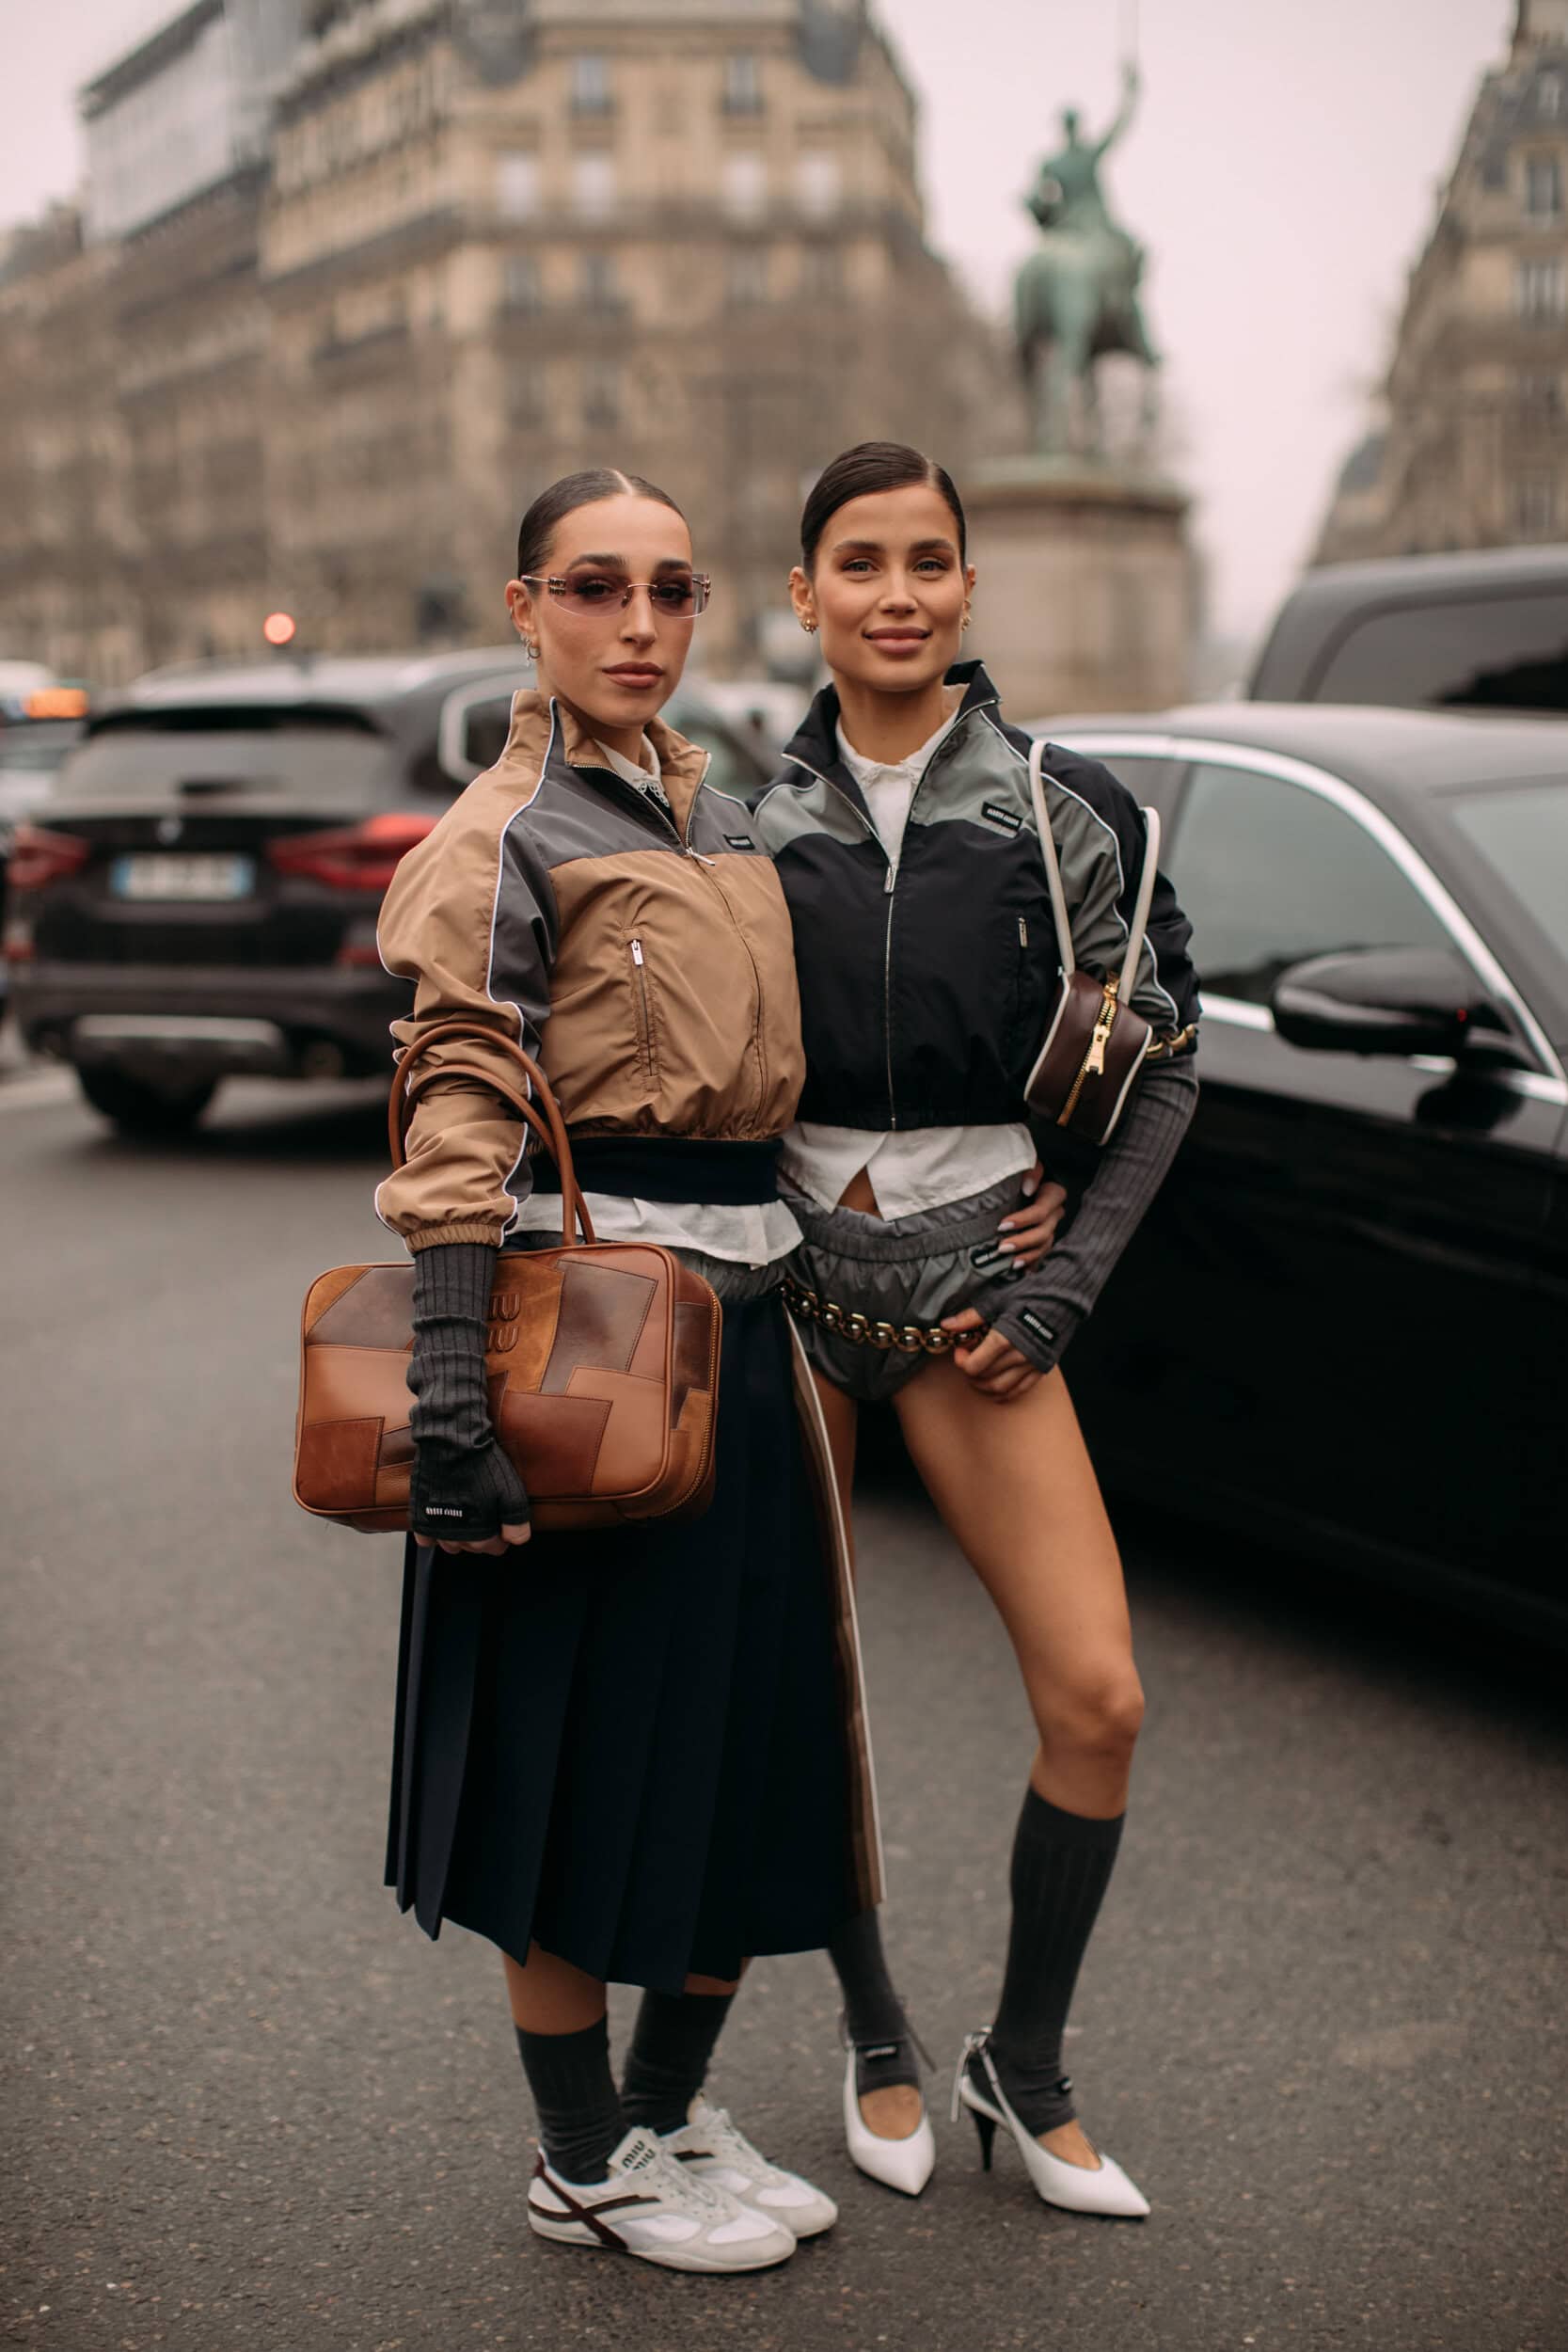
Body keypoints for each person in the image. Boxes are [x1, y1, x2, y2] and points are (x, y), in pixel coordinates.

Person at [373, 467, 876, 2273]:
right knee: (573, 1767)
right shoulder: (497, 839)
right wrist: (450, 1396)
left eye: (673, 591)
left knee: (742, 1753)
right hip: (582, 1347)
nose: (642, 626)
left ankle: (669, 2116)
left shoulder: (727, 822)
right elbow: (455, 1120)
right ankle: (582, 2156)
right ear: (529, 607)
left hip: (748, 1343)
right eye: (599, 589)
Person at [751, 440, 1201, 2217]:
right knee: (812, 1696)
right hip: (782, 1283)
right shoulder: (735, 818)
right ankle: (871, 2026)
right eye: (859, 561)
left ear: (964, 586)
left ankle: (1023, 2064)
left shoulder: (1063, 807)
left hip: (975, 1300)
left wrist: (1070, 1265)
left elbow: (1161, 1057)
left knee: (1098, 1694)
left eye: (928, 560)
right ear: (808, 596)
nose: (897, 591)